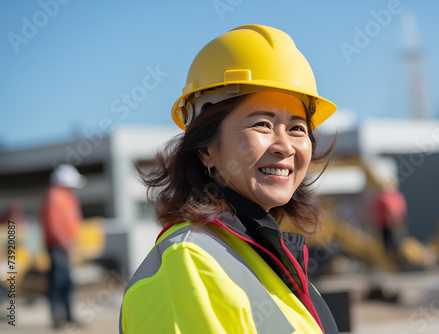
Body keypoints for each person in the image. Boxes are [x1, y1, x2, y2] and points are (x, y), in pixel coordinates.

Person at [120, 24, 339, 333]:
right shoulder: (188, 265)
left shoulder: (274, 262)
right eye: (263, 124)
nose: (285, 146)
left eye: (297, 128)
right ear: (207, 148)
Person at [39, 164, 86, 329]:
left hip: (65, 246)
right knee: (59, 280)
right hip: (57, 246)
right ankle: (58, 317)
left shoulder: (66, 197)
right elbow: (53, 224)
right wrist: (63, 241)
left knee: (66, 281)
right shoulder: (54, 196)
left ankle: (67, 315)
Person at [370, 177, 407, 261]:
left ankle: (397, 258)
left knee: (397, 242)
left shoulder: (392, 196)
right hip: (385, 224)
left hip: (394, 223)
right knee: (388, 243)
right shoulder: (384, 197)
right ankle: (391, 258)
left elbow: (396, 210)